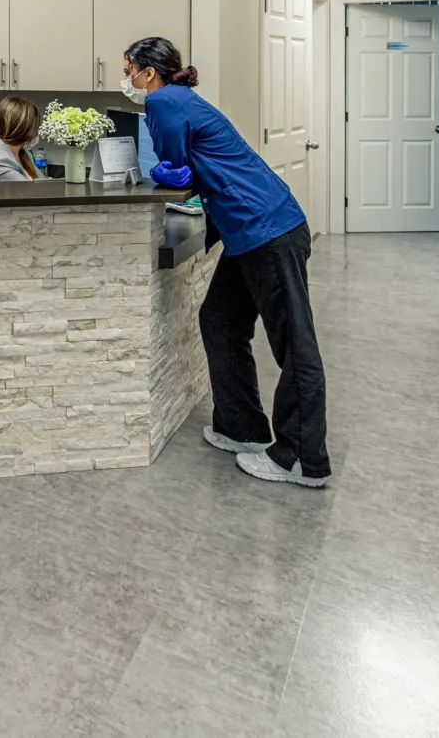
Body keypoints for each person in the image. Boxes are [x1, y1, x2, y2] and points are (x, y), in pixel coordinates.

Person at [124, 37, 330, 488]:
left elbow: (175, 165)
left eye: (130, 71)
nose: (128, 81)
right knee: (219, 318)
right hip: (254, 230)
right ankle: (241, 426)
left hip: (268, 230)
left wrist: (163, 173)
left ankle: (300, 458)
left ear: (149, 73)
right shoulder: (183, 98)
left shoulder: (161, 101)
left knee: (295, 345)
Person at [0, 96, 40, 182]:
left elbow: (43, 181)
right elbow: (29, 191)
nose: (34, 131)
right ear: (20, 129)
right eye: (32, 127)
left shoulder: (23, 154)